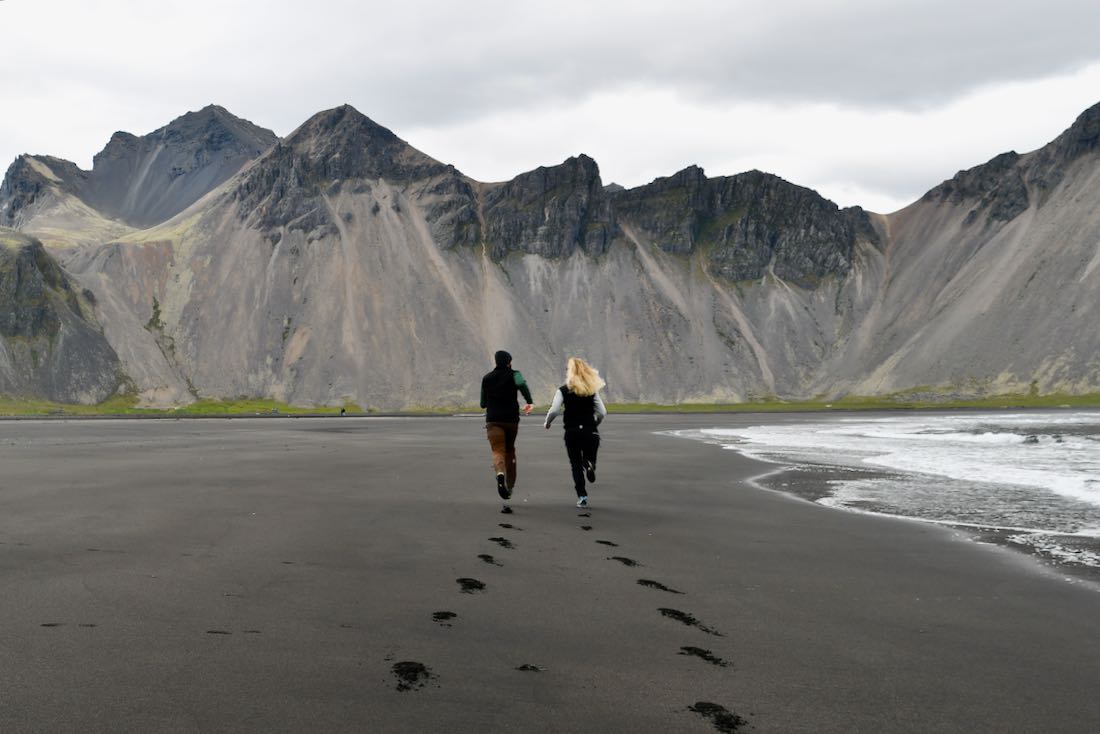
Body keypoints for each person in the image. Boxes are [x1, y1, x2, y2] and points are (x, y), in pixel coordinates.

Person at [544, 357, 607, 508]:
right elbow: (602, 412)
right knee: (588, 457)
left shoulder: (563, 390)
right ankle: (590, 463)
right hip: (590, 432)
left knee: (576, 465)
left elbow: (554, 410)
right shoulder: (592, 390)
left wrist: (547, 422)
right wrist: (594, 424)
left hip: (572, 433)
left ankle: (582, 496)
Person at [480, 350, 534, 513]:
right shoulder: (514, 374)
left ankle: (500, 473)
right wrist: (529, 401)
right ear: (509, 361)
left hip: (493, 420)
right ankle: (509, 488)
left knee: (498, 450)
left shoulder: (487, 378)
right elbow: (522, 384)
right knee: (510, 451)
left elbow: (483, 403)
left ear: (496, 361)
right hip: (511, 420)